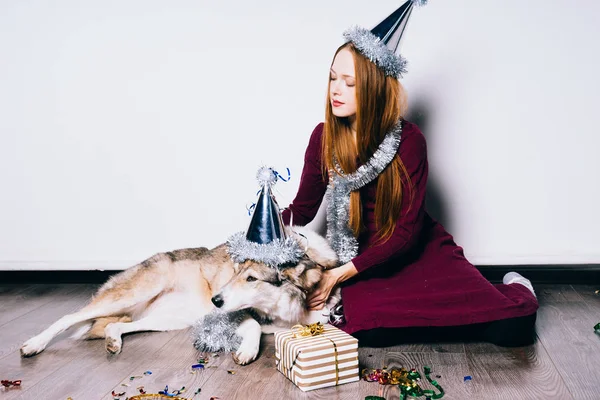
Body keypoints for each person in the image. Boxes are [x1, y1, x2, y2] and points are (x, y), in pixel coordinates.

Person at [280, 8, 539, 347]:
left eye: (350, 82)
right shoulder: (323, 138)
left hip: (413, 251)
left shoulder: (410, 141)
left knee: (513, 330)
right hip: (365, 262)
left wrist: (337, 276)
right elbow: (302, 209)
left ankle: (515, 286)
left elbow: (406, 232)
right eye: (332, 78)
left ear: (373, 88)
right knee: (371, 330)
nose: (336, 90)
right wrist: (259, 231)